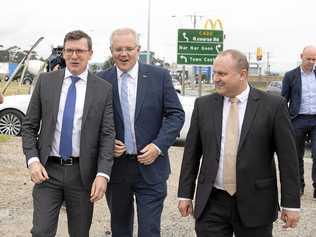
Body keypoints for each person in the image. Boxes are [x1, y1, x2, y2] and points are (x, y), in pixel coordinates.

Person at [178, 49, 300, 237]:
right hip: (212, 201)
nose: (215, 78)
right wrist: (185, 194)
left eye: (222, 74)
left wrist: (291, 204)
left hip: (256, 202)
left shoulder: (273, 106)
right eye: (215, 72)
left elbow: (288, 159)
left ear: (242, 74)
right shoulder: (204, 105)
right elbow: (191, 154)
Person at [22, 30, 115, 237]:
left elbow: (108, 135)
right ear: (63, 53)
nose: (74, 56)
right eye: (69, 50)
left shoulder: (103, 89)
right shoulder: (45, 82)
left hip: (83, 176)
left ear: (90, 53)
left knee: (80, 233)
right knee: (41, 231)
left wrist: (103, 174)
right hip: (48, 172)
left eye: (80, 51)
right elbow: (28, 126)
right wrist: (33, 160)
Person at [97, 28, 184, 237]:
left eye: (129, 48)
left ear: (138, 49)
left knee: (150, 230)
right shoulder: (100, 81)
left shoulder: (159, 77)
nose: (123, 54)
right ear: (111, 50)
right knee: (120, 229)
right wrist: (107, 145)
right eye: (118, 49)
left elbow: (176, 115)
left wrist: (158, 146)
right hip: (117, 168)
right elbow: (92, 123)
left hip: (152, 166)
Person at [281, 45, 316, 198]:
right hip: (297, 119)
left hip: (315, 119)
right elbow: (283, 100)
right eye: (308, 58)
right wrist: (283, 120)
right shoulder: (290, 76)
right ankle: (299, 185)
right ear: (301, 56)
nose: (311, 62)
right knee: (296, 155)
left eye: (314, 59)